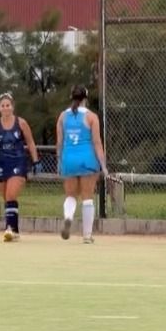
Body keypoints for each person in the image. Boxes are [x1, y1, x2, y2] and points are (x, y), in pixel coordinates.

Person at [0, 92, 39, 242]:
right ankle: (14, 230)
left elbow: (31, 142)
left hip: (18, 162)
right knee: (7, 199)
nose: (6, 108)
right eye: (3, 105)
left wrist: (35, 161)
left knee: (11, 195)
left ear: (12, 107)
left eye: (8, 105)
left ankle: (8, 229)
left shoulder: (21, 123)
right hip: (2, 163)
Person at [56, 85, 108, 243]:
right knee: (87, 198)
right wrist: (104, 166)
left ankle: (68, 217)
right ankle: (87, 235)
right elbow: (97, 143)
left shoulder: (63, 117)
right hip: (87, 159)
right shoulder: (92, 117)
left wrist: (60, 162)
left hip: (68, 159)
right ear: (86, 98)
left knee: (70, 195)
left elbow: (59, 143)